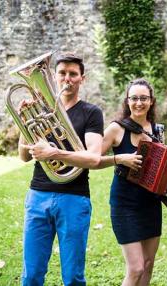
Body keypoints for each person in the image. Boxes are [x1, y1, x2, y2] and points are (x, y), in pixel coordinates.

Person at [18, 53, 104, 285]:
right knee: (31, 274)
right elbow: (24, 156)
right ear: (54, 77)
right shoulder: (41, 110)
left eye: (73, 74)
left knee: (73, 277)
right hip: (38, 196)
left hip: (74, 199)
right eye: (62, 73)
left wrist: (54, 153)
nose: (67, 78)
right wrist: (24, 122)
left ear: (81, 79)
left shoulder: (91, 113)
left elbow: (94, 158)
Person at [94, 78, 163, 286]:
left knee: (148, 264)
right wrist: (119, 159)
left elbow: (163, 169)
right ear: (127, 101)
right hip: (125, 205)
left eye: (144, 98)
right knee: (136, 268)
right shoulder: (116, 129)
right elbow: (92, 159)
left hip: (151, 205)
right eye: (134, 98)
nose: (139, 103)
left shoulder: (157, 130)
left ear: (151, 101)